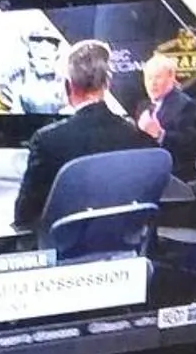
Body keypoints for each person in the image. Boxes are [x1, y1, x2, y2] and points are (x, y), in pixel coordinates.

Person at [13, 37, 145, 229]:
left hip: (64, 248)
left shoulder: (48, 141)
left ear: (69, 86)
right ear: (108, 83)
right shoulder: (134, 136)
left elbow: (25, 214)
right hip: (120, 242)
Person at [136, 45, 196, 184]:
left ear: (171, 76)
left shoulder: (185, 105)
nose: (152, 84)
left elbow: (190, 145)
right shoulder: (143, 106)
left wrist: (160, 134)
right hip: (144, 170)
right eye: (148, 78)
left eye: (157, 77)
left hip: (173, 174)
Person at [0, 27, 68, 123]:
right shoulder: (12, 79)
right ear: (30, 52)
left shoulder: (66, 83)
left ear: (56, 53)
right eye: (37, 45)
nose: (43, 49)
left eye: (50, 44)